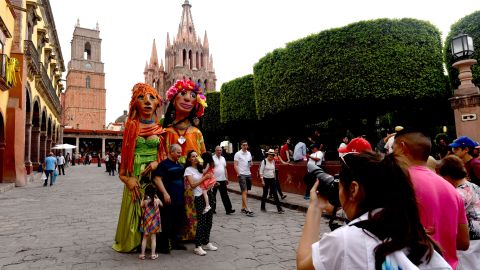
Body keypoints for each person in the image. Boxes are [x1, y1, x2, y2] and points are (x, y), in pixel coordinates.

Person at [296, 151, 451, 270]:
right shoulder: (413, 233)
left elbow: (303, 266)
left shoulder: (345, 240)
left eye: (341, 185)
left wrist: (315, 207)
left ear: (353, 189)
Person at [393, 131, 469, 268]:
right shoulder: (453, 190)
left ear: (402, 147)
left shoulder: (398, 184)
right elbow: (464, 242)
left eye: (393, 149)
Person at [112, 83, 165, 253]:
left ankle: (152, 243)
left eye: (152, 97)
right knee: (135, 207)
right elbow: (122, 169)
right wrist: (128, 179)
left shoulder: (160, 130)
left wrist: (157, 163)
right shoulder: (131, 128)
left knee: (154, 207)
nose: (148, 102)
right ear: (135, 103)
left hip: (154, 177)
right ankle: (133, 242)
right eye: (141, 98)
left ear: (157, 103)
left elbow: (163, 156)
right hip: (135, 176)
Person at [162, 78, 208, 241]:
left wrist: (205, 175)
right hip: (172, 180)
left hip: (192, 180)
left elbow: (203, 156)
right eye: (183, 94)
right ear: (174, 99)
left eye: (192, 95)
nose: (188, 98)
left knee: (194, 206)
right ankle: (174, 234)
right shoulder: (166, 132)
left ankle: (193, 233)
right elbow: (161, 157)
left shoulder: (196, 133)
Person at [438, 155, 480, 269]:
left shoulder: (459, 193)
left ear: (447, 176)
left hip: (469, 239)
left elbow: (448, 215)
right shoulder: (473, 186)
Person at [153, 144, 187, 254]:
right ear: (171, 152)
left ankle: (176, 242)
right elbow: (157, 180)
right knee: (166, 221)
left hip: (179, 198)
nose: (180, 154)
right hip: (168, 198)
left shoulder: (180, 165)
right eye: (178, 152)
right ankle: (164, 246)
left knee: (178, 221)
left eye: (180, 152)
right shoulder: (163, 164)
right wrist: (165, 193)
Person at [184, 150, 218, 256]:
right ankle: (197, 246)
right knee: (201, 221)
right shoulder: (188, 170)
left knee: (209, 220)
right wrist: (204, 178)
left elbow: (209, 175)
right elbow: (193, 185)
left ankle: (206, 242)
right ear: (189, 159)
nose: (195, 158)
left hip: (209, 195)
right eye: (192, 156)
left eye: (196, 156)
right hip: (199, 197)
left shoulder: (201, 167)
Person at [139, 185, 162, 260]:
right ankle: (153, 254)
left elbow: (141, 205)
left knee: (144, 237)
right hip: (154, 222)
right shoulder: (157, 200)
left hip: (147, 221)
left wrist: (143, 197)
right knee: (153, 238)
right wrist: (157, 197)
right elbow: (162, 204)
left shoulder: (146, 200)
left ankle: (142, 254)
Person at [259, 149, 284, 214]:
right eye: (270, 156)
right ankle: (262, 207)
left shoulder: (273, 161)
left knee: (275, 193)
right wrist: (262, 181)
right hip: (265, 179)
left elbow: (274, 170)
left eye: (272, 156)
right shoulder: (264, 161)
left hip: (272, 179)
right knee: (265, 193)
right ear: (268, 155)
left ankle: (279, 208)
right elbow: (261, 172)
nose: (271, 158)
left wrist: (275, 179)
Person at [212, 146, 235, 215]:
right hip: (214, 180)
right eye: (218, 150)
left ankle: (228, 209)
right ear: (215, 151)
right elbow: (211, 169)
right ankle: (212, 209)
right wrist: (212, 179)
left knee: (225, 195)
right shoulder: (212, 158)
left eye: (220, 150)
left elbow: (225, 168)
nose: (219, 151)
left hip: (222, 179)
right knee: (213, 195)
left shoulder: (223, 158)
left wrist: (226, 178)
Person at [234, 140, 254, 217]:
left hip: (248, 174)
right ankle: (247, 209)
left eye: (246, 145)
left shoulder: (249, 153)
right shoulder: (237, 154)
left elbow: (250, 162)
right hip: (241, 174)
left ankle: (242, 208)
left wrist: (251, 164)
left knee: (245, 192)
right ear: (241, 146)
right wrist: (239, 174)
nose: (245, 146)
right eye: (243, 145)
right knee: (244, 191)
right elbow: (235, 165)